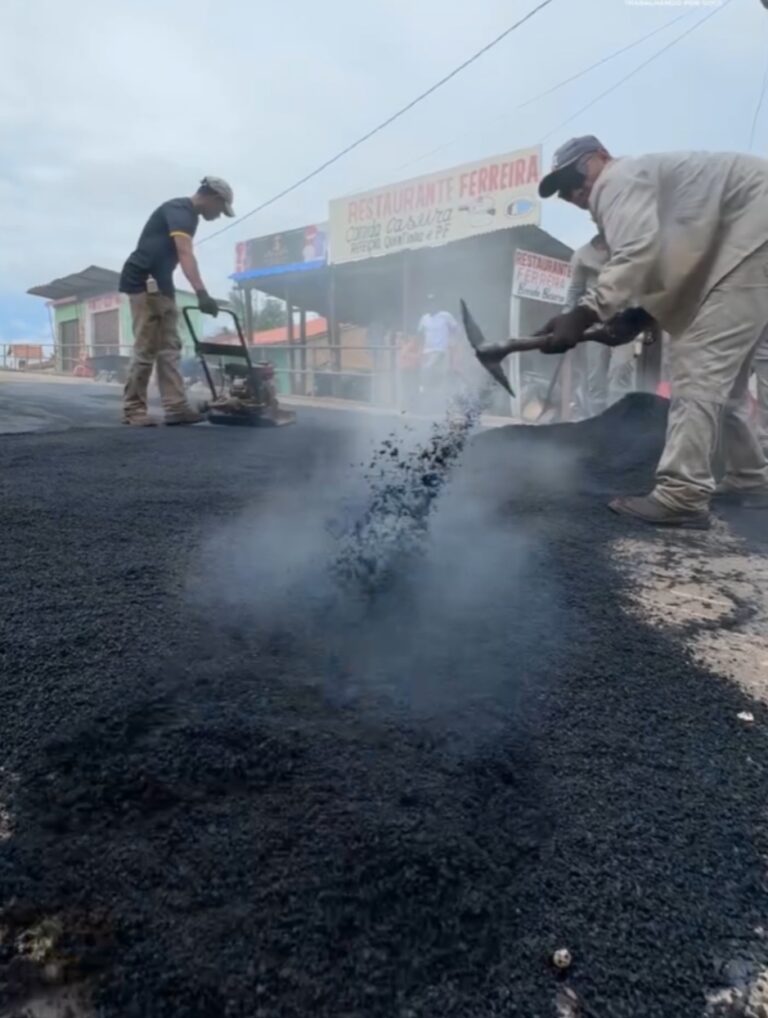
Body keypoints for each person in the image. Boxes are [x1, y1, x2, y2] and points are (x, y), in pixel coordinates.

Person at [536, 135, 768, 529]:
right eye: (562, 190)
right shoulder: (644, 188)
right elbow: (673, 263)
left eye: (575, 175)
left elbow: (636, 255)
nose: (574, 192)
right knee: (723, 383)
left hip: (754, 233)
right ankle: (750, 480)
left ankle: (682, 495)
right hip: (749, 237)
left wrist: (587, 311)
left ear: (599, 158)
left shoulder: (617, 178)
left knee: (697, 364)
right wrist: (639, 316)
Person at [120, 176, 234, 426]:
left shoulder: (189, 216)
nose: (219, 215)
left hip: (161, 283)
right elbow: (185, 253)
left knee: (171, 346)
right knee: (147, 345)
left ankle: (176, 407)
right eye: (220, 209)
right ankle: (133, 410)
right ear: (213, 197)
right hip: (142, 280)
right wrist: (202, 293)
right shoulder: (180, 210)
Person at [417, 295, 459, 407]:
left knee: (434, 371)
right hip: (427, 351)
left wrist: (452, 341)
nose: (431, 305)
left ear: (437, 304)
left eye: (433, 302)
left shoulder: (445, 316)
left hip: (440, 350)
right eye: (429, 303)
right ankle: (429, 396)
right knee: (428, 372)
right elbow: (420, 333)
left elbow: (455, 328)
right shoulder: (425, 318)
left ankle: (437, 396)